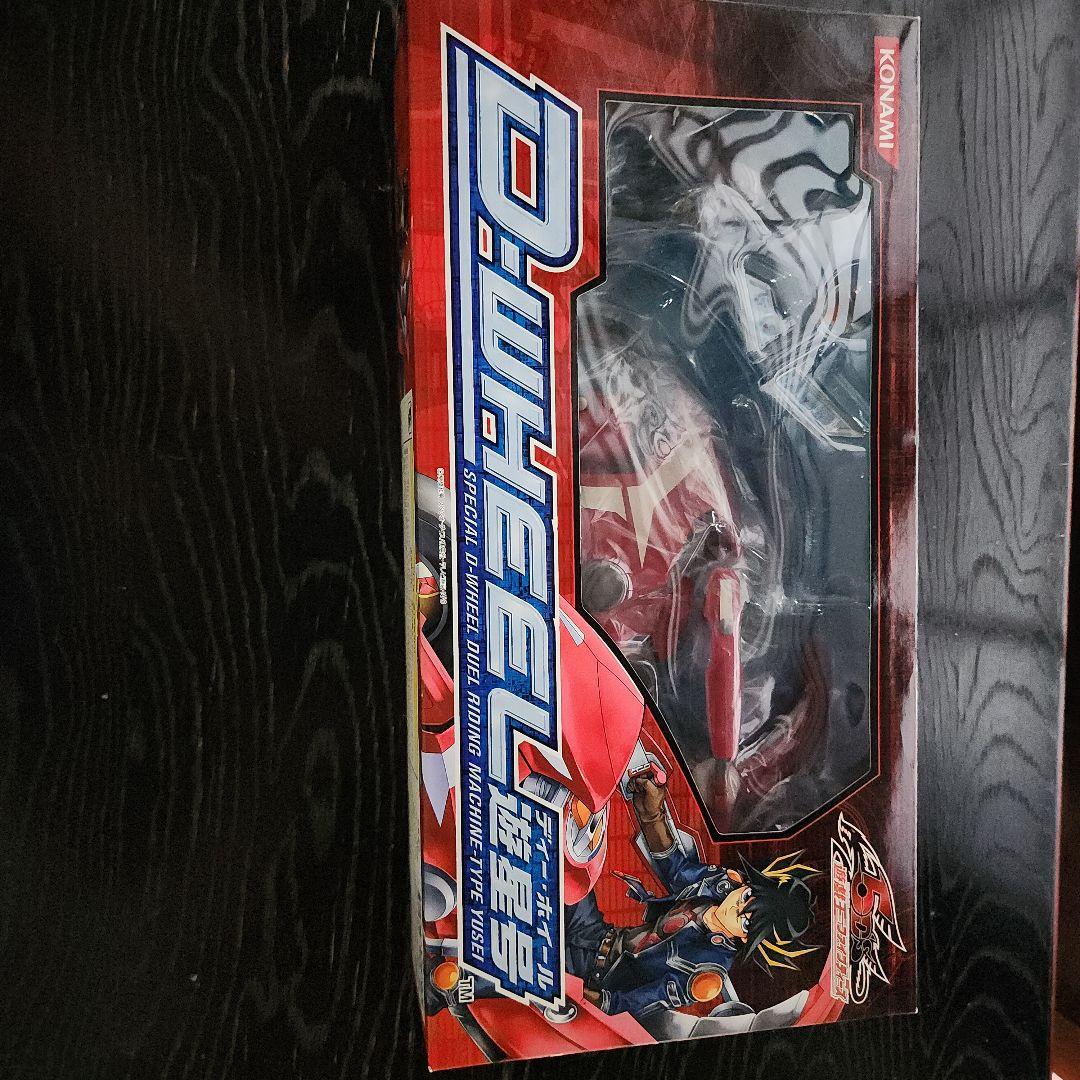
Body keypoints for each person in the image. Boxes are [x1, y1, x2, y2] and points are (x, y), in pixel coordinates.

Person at [566, 770, 819, 1019]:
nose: (736, 908)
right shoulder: (720, 885)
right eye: (745, 898)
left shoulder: (708, 972)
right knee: (564, 857)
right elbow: (675, 868)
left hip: (592, 975)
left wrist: (587, 1000)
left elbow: (640, 1000)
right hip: (595, 933)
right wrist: (651, 814)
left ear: (747, 937)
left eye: (746, 921)